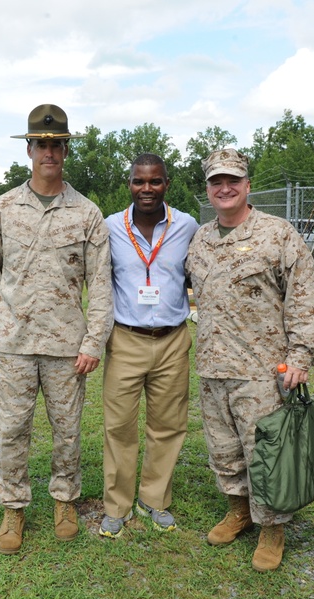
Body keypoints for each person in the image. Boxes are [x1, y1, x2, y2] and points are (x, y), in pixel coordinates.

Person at [0, 103, 113, 555]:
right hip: (13, 346)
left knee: (68, 430)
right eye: (42, 144)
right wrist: (2, 329)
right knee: (11, 429)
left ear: (66, 151)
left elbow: (100, 284)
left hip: (65, 346)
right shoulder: (1, 210)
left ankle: (64, 501)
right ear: (29, 149)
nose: (49, 153)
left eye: (57, 146)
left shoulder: (87, 214)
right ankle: (13, 508)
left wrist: (94, 342)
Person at [186, 148, 314, 572]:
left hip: (263, 372)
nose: (224, 188)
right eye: (215, 182)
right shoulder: (201, 239)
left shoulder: (278, 234)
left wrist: (300, 356)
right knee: (225, 450)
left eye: (232, 180)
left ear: (247, 185)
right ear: (208, 189)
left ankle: (272, 528)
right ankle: (239, 511)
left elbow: (304, 297)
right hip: (213, 367)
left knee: (266, 453)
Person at [99, 153, 199, 538]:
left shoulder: (187, 226)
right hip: (125, 339)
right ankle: (117, 506)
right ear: (129, 184)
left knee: (168, 426)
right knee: (119, 427)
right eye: (139, 181)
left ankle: (154, 500)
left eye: (155, 181)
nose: (147, 189)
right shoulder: (110, 228)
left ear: (167, 184)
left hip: (173, 340)